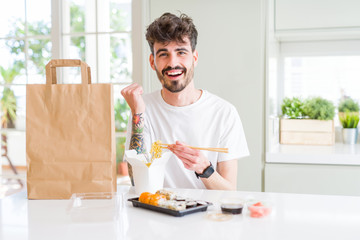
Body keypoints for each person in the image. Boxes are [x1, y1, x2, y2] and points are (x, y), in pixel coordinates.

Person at [122, 12, 249, 190]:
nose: (173, 62)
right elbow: (138, 183)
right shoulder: (142, 108)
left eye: (181, 52)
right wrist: (138, 114)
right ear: (153, 62)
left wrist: (204, 169)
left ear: (194, 58)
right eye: (163, 54)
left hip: (207, 215)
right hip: (157, 212)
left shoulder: (224, 112)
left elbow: (229, 192)